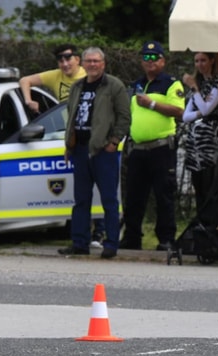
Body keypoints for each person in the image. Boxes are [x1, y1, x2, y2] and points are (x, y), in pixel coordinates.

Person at [19, 43, 106, 247]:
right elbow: (25, 80)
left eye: (68, 58)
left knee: (99, 187)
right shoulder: (55, 76)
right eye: (61, 60)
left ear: (78, 59)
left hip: (92, 139)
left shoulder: (88, 76)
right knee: (79, 190)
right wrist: (28, 100)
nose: (65, 63)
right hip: (71, 140)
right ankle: (78, 234)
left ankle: (100, 232)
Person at [57, 47, 131, 259]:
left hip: (103, 150)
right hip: (79, 149)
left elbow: (124, 117)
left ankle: (111, 244)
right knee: (81, 199)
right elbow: (71, 115)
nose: (92, 65)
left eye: (96, 61)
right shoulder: (78, 86)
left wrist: (114, 141)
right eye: (88, 61)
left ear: (103, 63)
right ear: (84, 64)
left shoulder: (114, 86)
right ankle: (79, 242)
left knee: (108, 199)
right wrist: (69, 146)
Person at [120, 41, 185, 251]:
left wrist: (152, 104)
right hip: (138, 149)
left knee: (163, 195)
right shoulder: (136, 84)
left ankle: (166, 239)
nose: (150, 62)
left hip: (161, 148)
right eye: (146, 58)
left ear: (163, 61)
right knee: (134, 196)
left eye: (154, 57)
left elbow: (179, 111)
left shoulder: (171, 84)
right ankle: (132, 237)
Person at [181, 52, 218, 211]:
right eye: (197, 61)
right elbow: (186, 116)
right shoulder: (199, 84)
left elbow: (206, 109)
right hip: (195, 142)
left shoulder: (217, 84)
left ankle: (209, 218)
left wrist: (194, 88)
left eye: (203, 60)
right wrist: (198, 113)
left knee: (208, 182)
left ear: (211, 61)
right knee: (197, 183)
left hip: (210, 141)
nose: (200, 64)